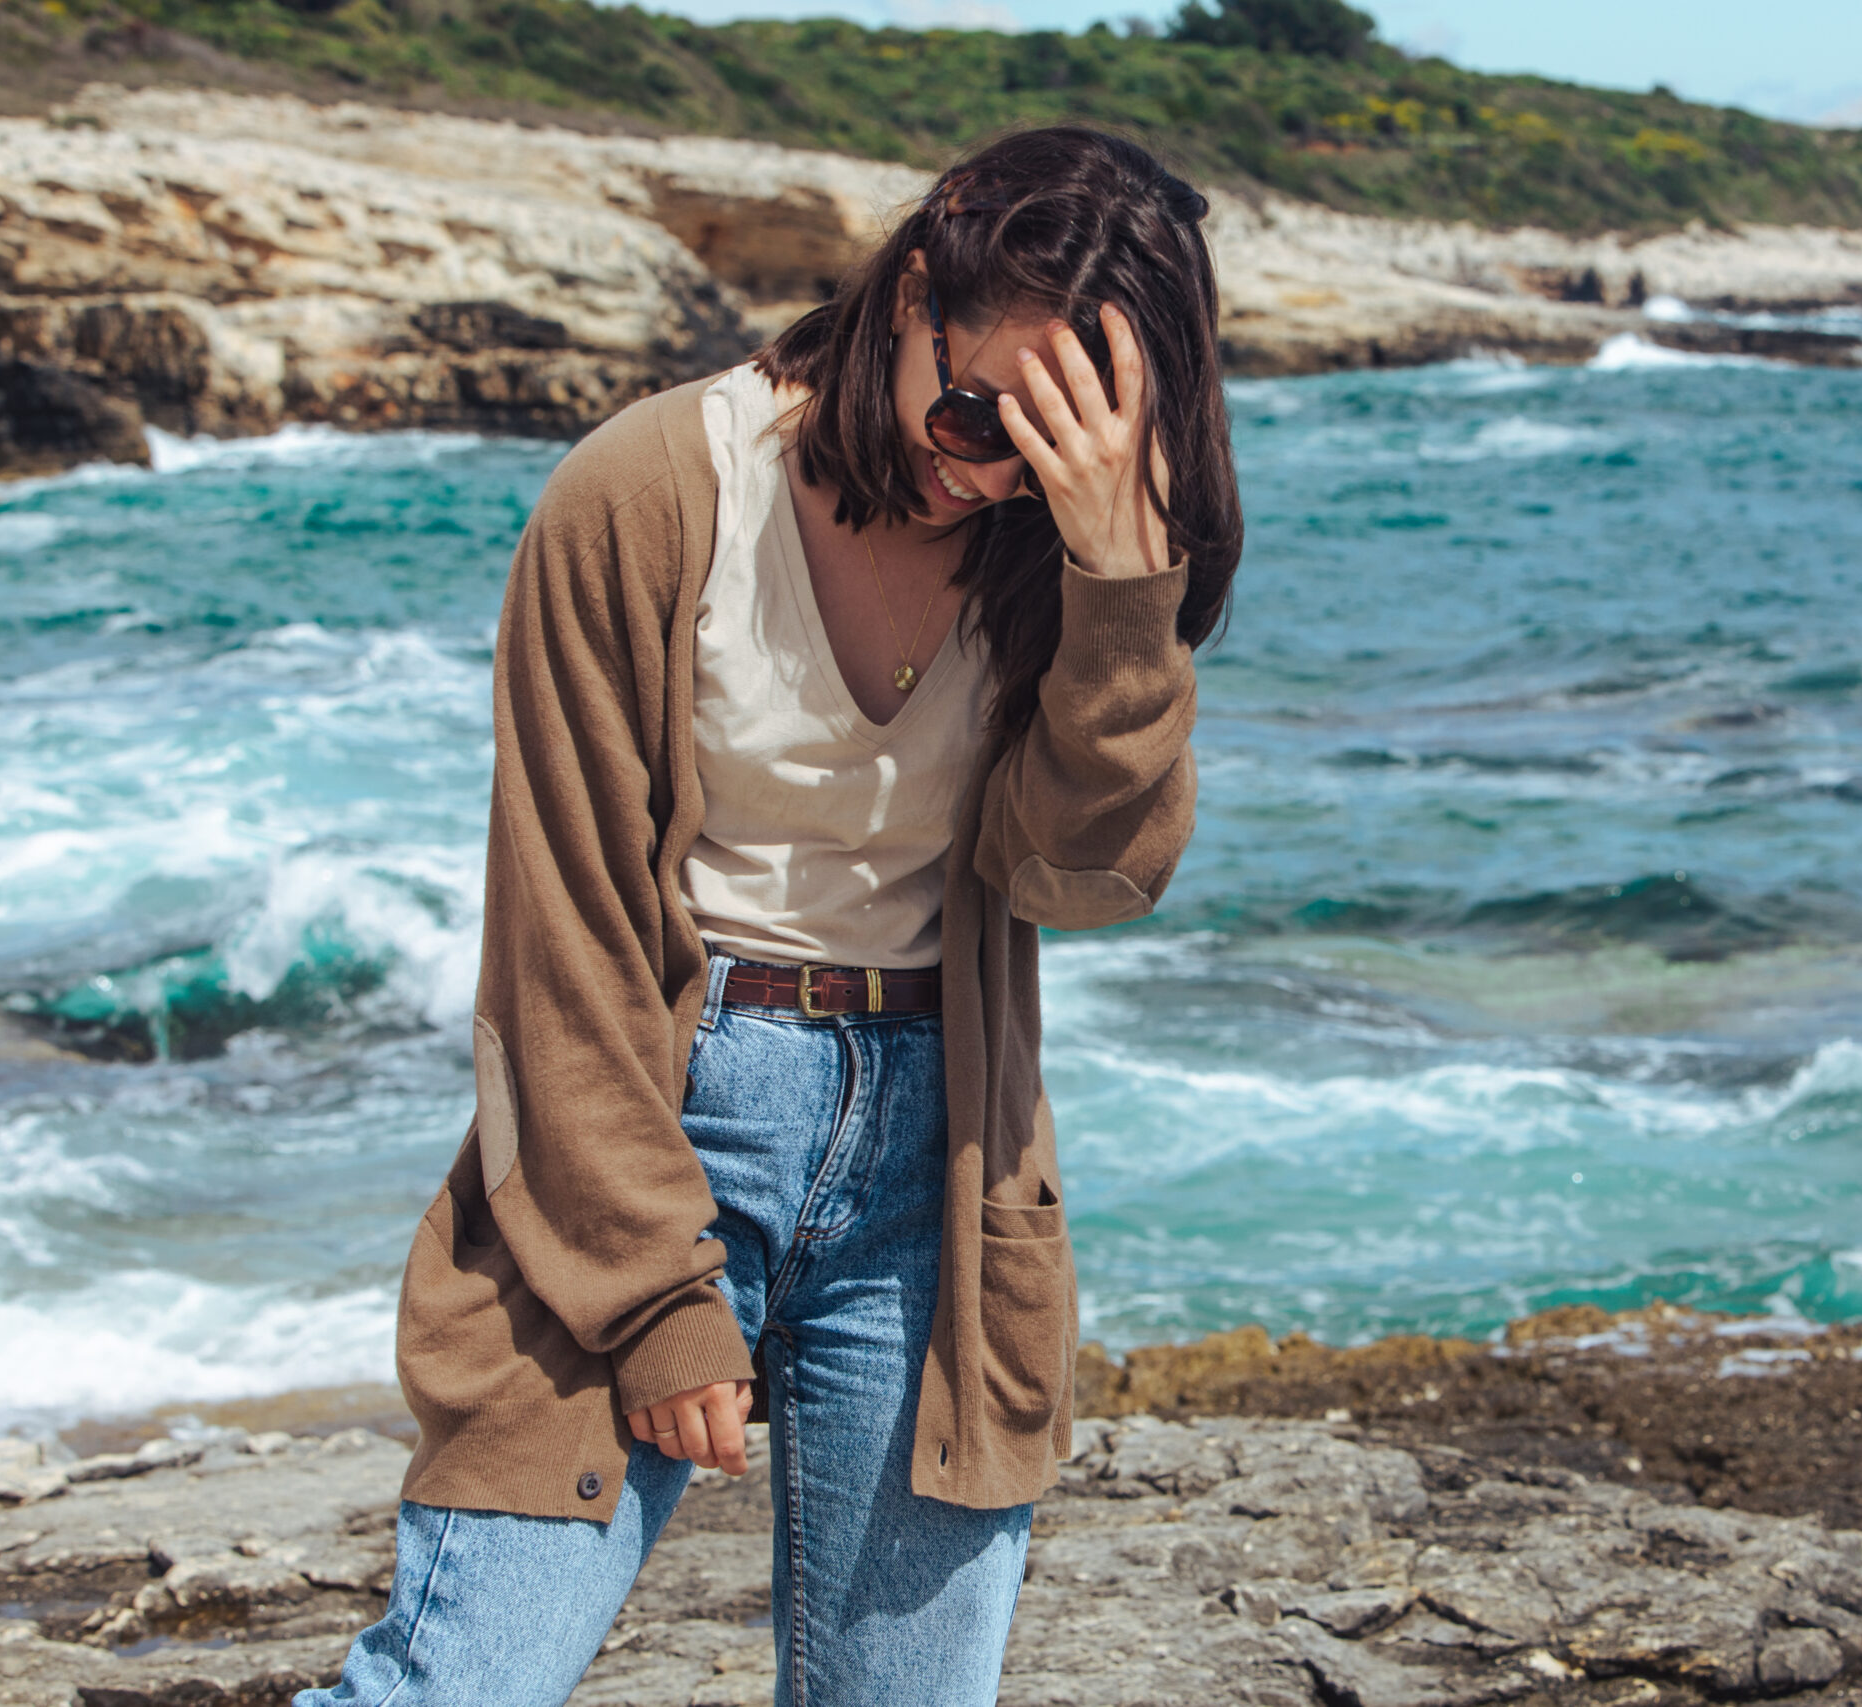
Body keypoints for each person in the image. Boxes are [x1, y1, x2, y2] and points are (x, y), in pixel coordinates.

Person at [299, 124, 1240, 1707]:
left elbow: (1083, 874)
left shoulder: (1061, 554)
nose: (986, 469)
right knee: (456, 1686)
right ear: (918, 273)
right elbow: (564, 946)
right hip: (652, 1133)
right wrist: (659, 1300)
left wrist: (1120, 590)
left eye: (1046, 450)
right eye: (971, 409)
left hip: (940, 1169)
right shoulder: (653, 492)